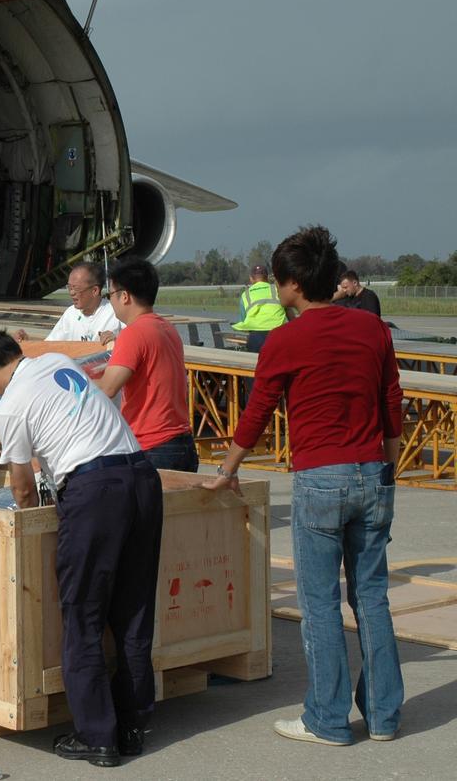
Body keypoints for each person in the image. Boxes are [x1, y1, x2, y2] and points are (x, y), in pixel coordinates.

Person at [206, 226, 403, 746]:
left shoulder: (285, 339)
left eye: (277, 281)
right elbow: (391, 404)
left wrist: (226, 471)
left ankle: (328, 719)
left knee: (319, 604)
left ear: (293, 283)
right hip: (371, 473)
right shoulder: (373, 330)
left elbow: (258, 412)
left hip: (321, 478)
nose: (275, 288)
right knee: (372, 598)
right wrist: (389, 472)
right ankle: (384, 718)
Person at [0, 329, 161, 768]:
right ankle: (131, 725)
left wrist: (29, 519)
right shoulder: (57, 362)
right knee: (133, 609)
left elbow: (22, 487)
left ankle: (97, 737)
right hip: (142, 478)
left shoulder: (10, 405)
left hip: (95, 491)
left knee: (83, 615)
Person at [94, 259, 197, 471]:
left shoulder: (133, 334)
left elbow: (107, 388)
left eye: (109, 295)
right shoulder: (166, 328)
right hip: (181, 442)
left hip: (154, 446)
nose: (110, 301)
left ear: (124, 296)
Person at [17, 262, 123, 345]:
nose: (72, 293)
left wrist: (117, 340)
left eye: (76, 288)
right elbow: (50, 345)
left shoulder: (115, 312)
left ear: (95, 290)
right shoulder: (71, 313)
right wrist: (28, 343)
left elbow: (136, 342)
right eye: (69, 287)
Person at [232, 264, 286, 354]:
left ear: (251, 278)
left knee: (256, 365)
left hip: (256, 338)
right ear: (267, 277)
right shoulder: (277, 289)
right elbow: (289, 313)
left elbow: (243, 322)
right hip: (279, 334)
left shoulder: (245, 295)